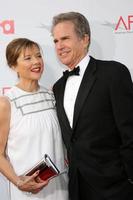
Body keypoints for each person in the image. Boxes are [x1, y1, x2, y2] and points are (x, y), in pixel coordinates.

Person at [51, 11, 133, 200]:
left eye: (65, 38)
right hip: (77, 187)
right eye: (55, 41)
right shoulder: (58, 87)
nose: (59, 46)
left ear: (84, 39)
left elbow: (129, 130)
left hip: (116, 187)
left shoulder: (113, 73)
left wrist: (128, 179)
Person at [0, 38, 68, 200]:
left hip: (60, 186)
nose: (37, 62)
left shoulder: (52, 96)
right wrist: (18, 182)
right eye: (28, 58)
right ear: (13, 65)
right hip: (28, 191)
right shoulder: (6, 103)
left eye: (38, 56)